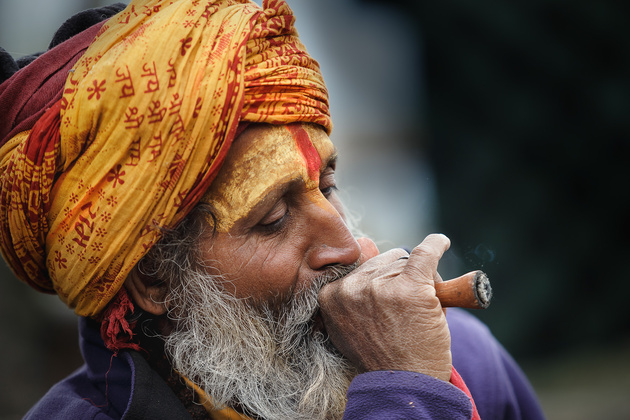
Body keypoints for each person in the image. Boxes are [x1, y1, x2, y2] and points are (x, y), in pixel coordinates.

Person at [0, 1, 545, 419]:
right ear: (154, 278)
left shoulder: (457, 360)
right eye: (273, 219)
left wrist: (416, 384)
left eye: (327, 186)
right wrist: (407, 397)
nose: (349, 248)